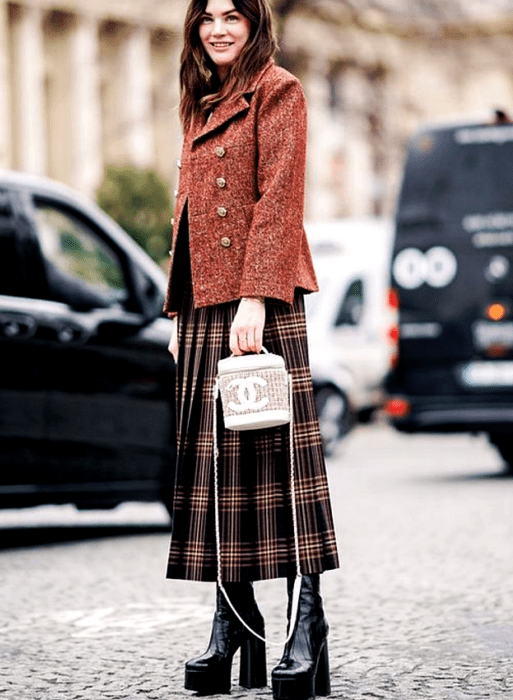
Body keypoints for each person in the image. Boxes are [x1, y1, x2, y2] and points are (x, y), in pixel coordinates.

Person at [164, 1, 339, 698]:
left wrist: (255, 298)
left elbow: (277, 201)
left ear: (254, 21)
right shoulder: (200, 99)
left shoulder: (280, 91)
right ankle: (233, 620)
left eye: (232, 14)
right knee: (216, 478)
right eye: (208, 16)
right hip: (206, 303)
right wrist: (181, 313)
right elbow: (187, 209)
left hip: (259, 303)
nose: (219, 28)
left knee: (282, 472)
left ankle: (306, 624)